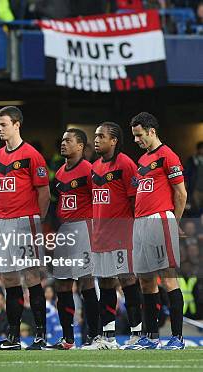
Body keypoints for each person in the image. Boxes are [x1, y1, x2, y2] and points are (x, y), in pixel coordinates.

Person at [0, 106, 50, 350]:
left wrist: (36, 220)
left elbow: (44, 193)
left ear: (17, 124)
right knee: (9, 279)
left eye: (3, 124)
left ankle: (40, 335)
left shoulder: (32, 155)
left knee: (32, 277)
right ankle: (13, 336)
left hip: (25, 221)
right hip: (2, 222)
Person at [126, 112, 187, 350]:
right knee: (146, 282)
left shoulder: (168, 156)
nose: (136, 140)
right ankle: (150, 337)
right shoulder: (143, 160)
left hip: (160, 219)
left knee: (169, 279)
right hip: (140, 223)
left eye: (139, 135)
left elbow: (181, 193)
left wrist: (174, 221)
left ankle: (177, 337)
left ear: (151, 131)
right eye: (134, 136)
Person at [84, 122, 143, 350]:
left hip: (121, 234)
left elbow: (134, 201)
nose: (96, 140)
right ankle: (107, 337)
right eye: (95, 136)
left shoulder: (126, 164)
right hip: (100, 235)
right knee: (106, 283)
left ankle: (137, 334)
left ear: (114, 140)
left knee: (128, 280)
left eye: (101, 136)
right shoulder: (94, 167)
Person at [46, 128, 99, 350]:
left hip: (84, 228)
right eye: (63, 140)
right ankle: (68, 339)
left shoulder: (89, 171)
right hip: (65, 231)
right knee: (62, 284)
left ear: (81, 146)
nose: (63, 143)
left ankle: (94, 336)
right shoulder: (59, 174)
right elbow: (55, 202)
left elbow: (99, 201)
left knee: (85, 281)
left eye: (69, 140)